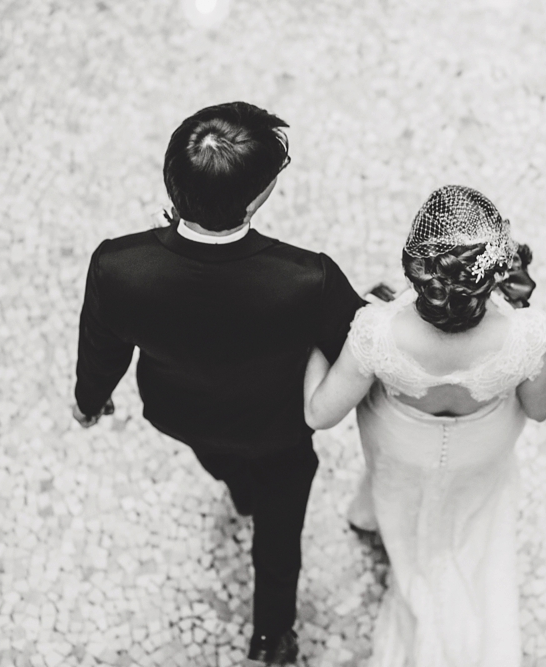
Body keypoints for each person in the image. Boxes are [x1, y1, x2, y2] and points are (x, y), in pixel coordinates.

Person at [72, 101, 365, 666]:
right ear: (256, 198)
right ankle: (270, 636)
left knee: (222, 458)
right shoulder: (308, 277)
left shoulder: (118, 265)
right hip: (277, 425)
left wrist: (90, 399)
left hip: (180, 411)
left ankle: (239, 490)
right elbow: (353, 347)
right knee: (278, 537)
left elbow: (102, 344)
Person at [303, 185, 546, 666]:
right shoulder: (527, 334)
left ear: (416, 266)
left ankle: (386, 531)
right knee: (469, 508)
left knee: (401, 492)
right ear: (493, 271)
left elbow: (320, 414)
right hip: (483, 444)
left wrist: (311, 340)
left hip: (401, 444)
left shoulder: (375, 331)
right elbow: (539, 410)